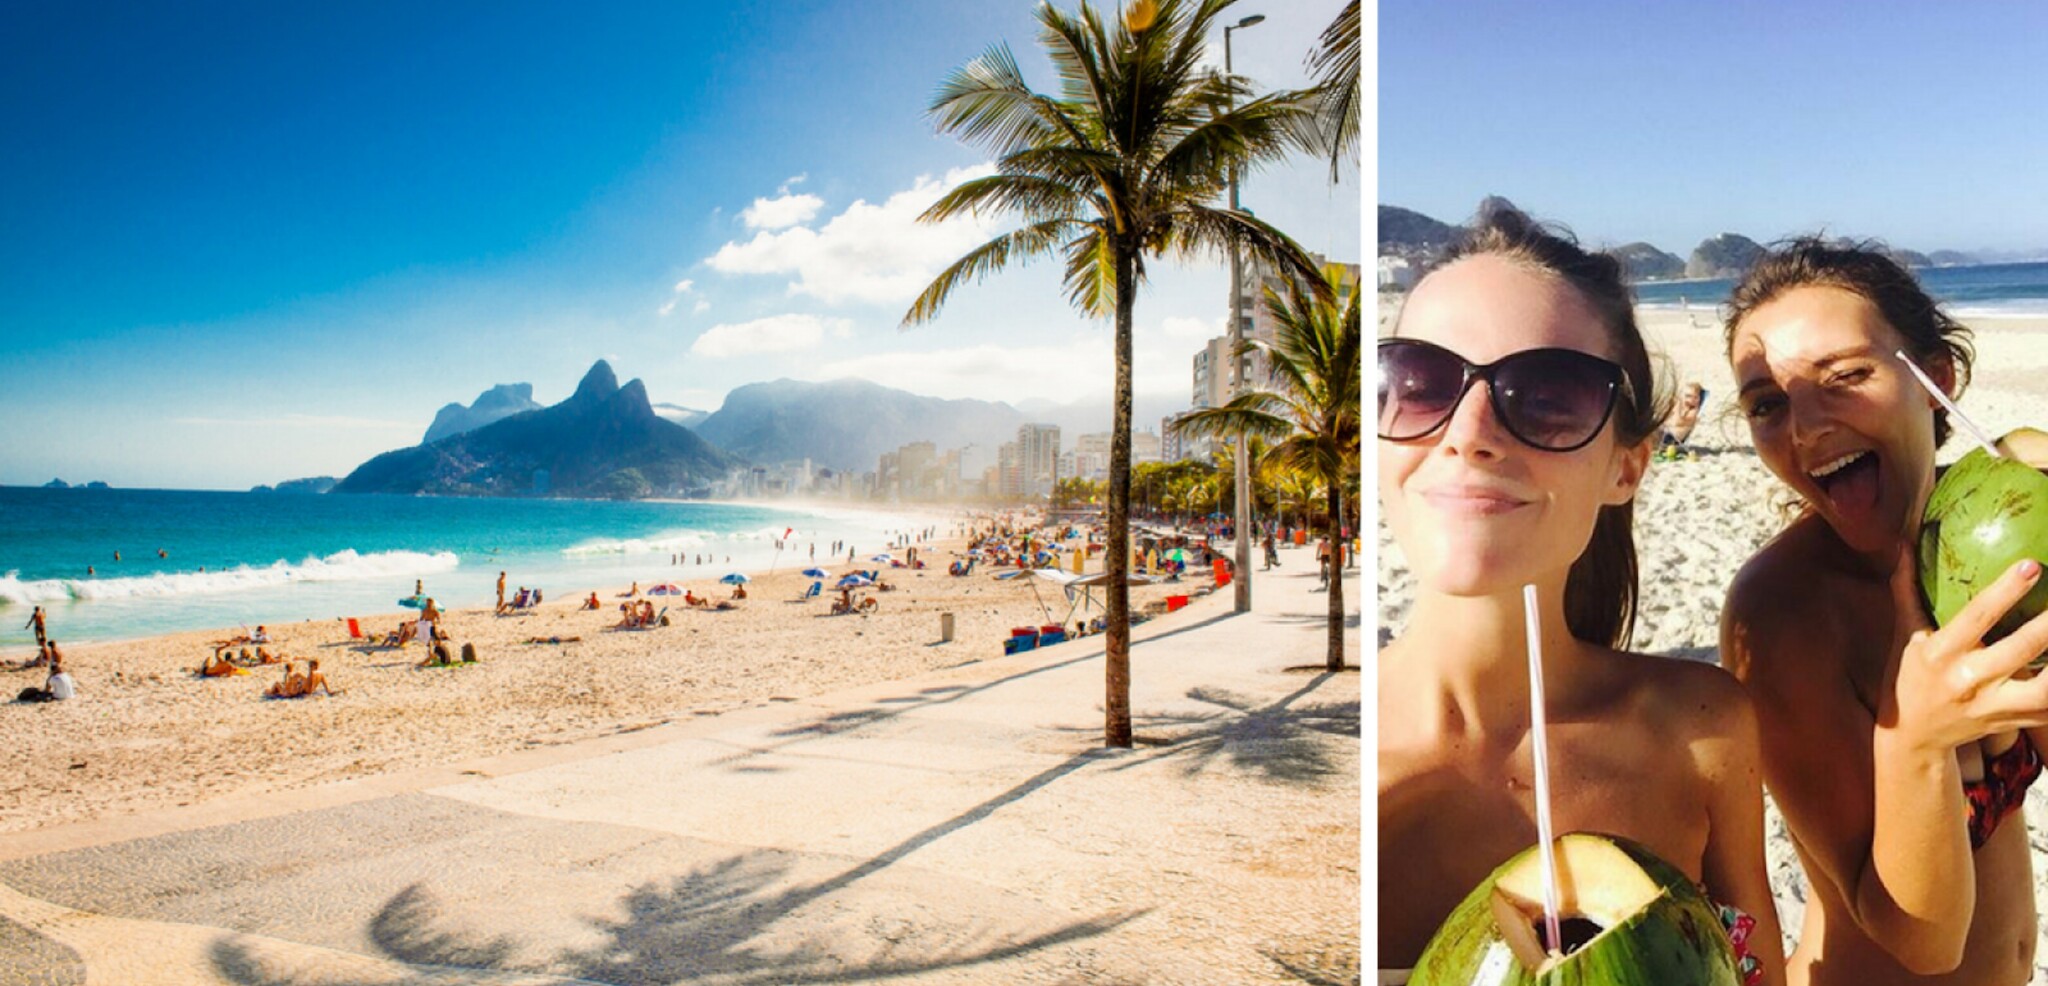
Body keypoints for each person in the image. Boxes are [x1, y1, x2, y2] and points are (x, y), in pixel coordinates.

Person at [1377, 208, 1781, 985]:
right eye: (1420, 383)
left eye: (1546, 395)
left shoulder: (1702, 733)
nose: (1469, 432)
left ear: (1626, 468)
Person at [1719, 238, 2048, 986]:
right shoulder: (1781, 616)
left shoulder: (1994, 538)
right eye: (1768, 404)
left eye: (1845, 376)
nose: (1805, 428)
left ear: (1936, 381)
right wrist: (1918, 743)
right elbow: (1920, 942)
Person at [1657, 382, 1706, 461]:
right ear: (1681, 396)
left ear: (1699, 399)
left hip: (1672, 438)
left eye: (1695, 397)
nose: (1691, 400)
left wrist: (1678, 407)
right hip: (1663, 433)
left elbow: (1678, 422)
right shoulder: (1677, 406)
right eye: (1688, 396)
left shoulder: (1693, 411)